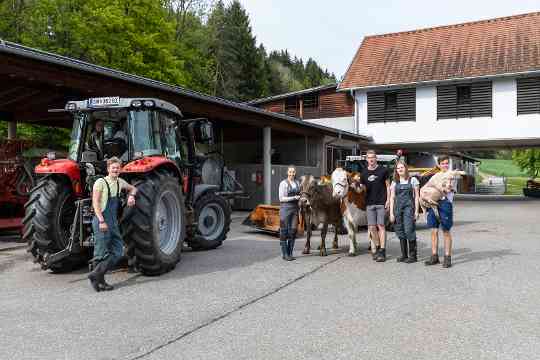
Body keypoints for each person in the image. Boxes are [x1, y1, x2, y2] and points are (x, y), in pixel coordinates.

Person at [88, 157, 137, 292]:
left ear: (120, 169)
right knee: (101, 253)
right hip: (102, 220)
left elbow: (133, 188)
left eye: (117, 168)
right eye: (113, 168)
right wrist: (102, 221)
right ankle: (100, 281)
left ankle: (96, 275)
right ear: (108, 169)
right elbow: (95, 203)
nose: (115, 170)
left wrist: (131, 196)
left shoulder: (120, 182)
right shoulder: (100, 182)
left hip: (113, 222)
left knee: (118, 250)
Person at [425, 155, 455, 268]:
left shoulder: (451, 175)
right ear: (438, 165)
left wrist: (445, 187)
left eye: (447, 163)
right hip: (432, 203)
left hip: (445, 203)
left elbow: (449, 189)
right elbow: (427, 186)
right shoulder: (435, 176)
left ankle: (447, 258)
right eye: (442, 163)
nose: (445, 165)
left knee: (446, 231)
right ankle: (434, 256)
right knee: (433, 230)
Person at [361, 150, 390, 262]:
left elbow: (388, 186)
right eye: (369, 158)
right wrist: (355, 187)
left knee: (381, 225)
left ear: (376, 158)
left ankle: (382, 250)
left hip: (381, 202)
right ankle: (377, 248)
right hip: (369, 203)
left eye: (373, 157)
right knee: (372, 227)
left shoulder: (383, 170)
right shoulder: (363, 173)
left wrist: (388, 200)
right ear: (367, 159)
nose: (371, 159)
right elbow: (362, 189)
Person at [389, 161, 420, 263]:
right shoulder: (394, 182)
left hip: (409, 208)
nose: (400, 170)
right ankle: (404, 255)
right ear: (396, 171)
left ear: (406, 168)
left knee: (408, 230)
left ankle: (413, 255)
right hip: (397, 209)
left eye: (402, 167)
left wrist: (416, 211)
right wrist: (391, 213)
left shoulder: (413, 180)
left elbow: (416, 197)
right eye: (398, 168)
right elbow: (392, 198)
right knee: (400, 231)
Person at [279, 166, 301, 261]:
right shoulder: (283, 183)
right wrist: (294, 198)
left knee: (293, 231)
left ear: (295, 173)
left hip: (295, 210)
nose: (292, 174)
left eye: (293, 172)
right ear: (287, 172)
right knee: (284, 232)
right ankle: (285, 254)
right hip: (285, 209)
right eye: (290, 172)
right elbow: (281, 198)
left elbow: (300, 196)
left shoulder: (297, 183)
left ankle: (290, 253)